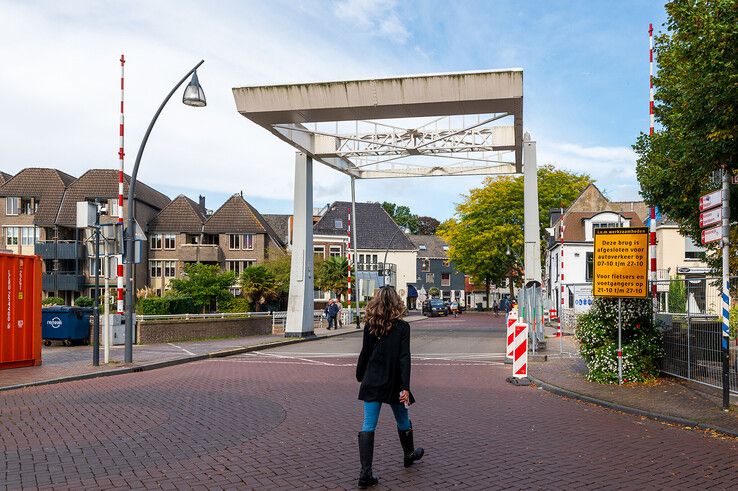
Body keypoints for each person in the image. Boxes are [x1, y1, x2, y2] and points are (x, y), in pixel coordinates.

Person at [355, 286, 424, 489]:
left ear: (376, 302)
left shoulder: (370, 325)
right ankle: (409, 454)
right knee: (402, 419)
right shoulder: (403, 328)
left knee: (368, 424)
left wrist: (360, 375)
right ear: (397, 303)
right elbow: (404, 358)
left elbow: (364, 353)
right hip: (395, 381)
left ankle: (365, 473)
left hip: (373, 380)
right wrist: (405, 387)